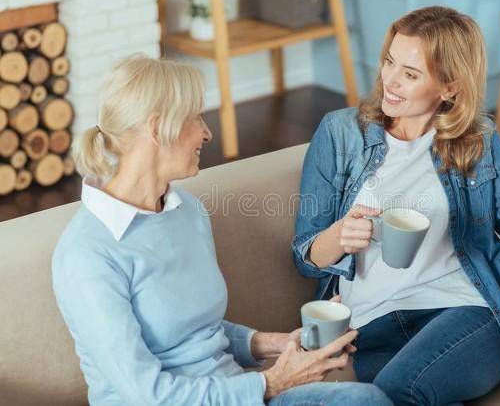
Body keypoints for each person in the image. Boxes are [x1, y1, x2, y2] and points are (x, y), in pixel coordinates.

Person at [292, 6, 500, 406]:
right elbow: (306, 257)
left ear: (450, 87)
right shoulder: (340, 133)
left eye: (410, 74)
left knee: (398, 392)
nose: (388, 81)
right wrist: (339, 236)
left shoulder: (477, 140)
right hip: (368, 325)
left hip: (462, 312)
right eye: (390, 61)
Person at [52, 54, 392, 406]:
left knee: (365, 399)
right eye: (196, 117)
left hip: (235, 394)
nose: (207, 132)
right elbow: (148, 395)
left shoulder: (186, 211)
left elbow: (200, 332)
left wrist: (279, 343)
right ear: (157, 129)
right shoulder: (87, 255)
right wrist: (272, 382)